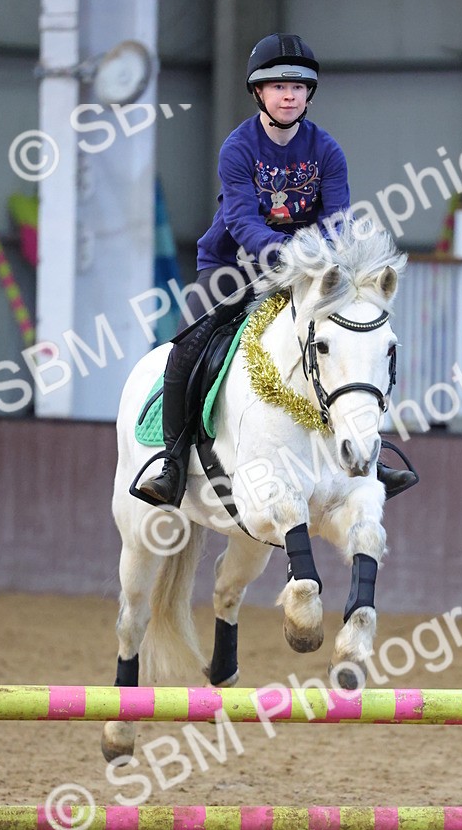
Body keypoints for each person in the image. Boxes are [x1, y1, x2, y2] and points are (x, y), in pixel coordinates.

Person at [139, 32, 415, 506]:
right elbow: (242, 221)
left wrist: (314, 263)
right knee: (186, 344)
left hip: (313, 272)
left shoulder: (328, 151)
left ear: (309, 95)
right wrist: (296, 255)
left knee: (357, 340)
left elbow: (338, 223)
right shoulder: (238, 148)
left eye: (298, 87)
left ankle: (368, 457)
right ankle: (172, 460)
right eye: (278, 86)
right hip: (233, 266)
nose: (289, 95)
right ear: (259, 94)